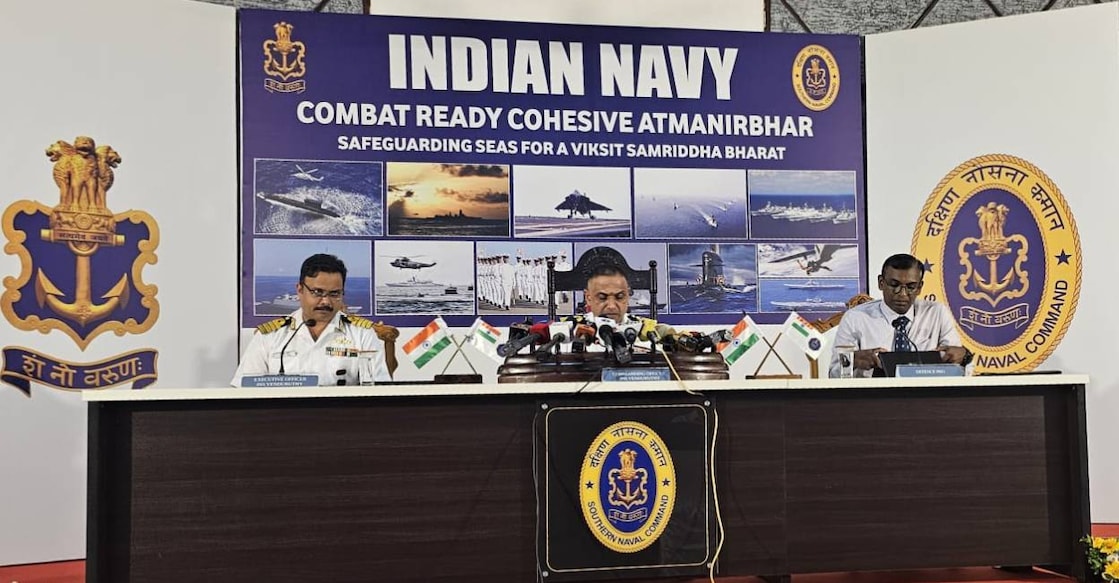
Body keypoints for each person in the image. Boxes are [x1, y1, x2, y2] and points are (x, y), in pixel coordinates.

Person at [231, 254, 391, 386]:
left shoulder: (362, 334)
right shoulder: (270, 336)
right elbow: (244, 390)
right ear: (300, 290)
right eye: (317, 292)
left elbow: (379, 391)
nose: (326, 301)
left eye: (335, 294)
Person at [828, 253, 972, 378]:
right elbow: (833, 374)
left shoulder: (937, 313)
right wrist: (852, 361)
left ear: (920, 287)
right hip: (873, 400)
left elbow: (958, 369)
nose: (902, 294)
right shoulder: (855, 318)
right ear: (881, 283)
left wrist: (963, 356)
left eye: (910, 287)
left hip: (926, 399)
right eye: (894, 285)